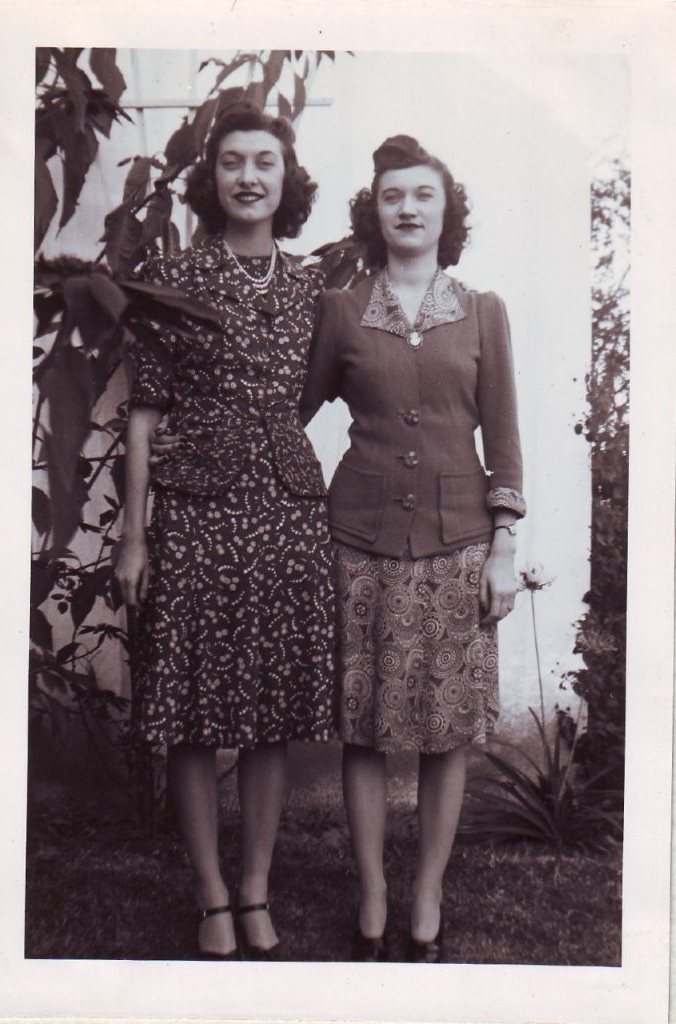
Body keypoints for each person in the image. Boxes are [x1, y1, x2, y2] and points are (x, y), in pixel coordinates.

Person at [115, 102, 336, 961]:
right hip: (199, 511)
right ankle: (211, 895)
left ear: (288, 182)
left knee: (273, 710)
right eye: (235, 162)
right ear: (213, 180)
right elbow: (141, 415)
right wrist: (134, 534)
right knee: (198, 711)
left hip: (286, 509)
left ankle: (255, 890)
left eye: (266, 163)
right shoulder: (174, 279)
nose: (250, 177)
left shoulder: (318, 284)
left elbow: (324, 390)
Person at [299, 135, 526, 962]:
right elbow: (290, 415)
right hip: (355, 540)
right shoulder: (341, 309)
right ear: (375, 209)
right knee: (362, 728)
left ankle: (427, 888)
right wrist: (278, 505)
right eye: (393, 196)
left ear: (444, 211)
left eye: (423, 196)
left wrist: (504, 547)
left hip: (458, 543)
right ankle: (372, 889)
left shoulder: (482, 311)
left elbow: (503, 438)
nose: (407, 208)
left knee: (443, 733)